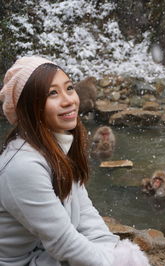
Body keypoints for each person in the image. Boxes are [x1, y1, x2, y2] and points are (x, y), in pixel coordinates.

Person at [0, 56, 150, 265]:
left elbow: (86, 215)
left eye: (69, 88)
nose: (69, 100)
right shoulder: (22, 167)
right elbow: (63, 243)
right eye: (53, 93)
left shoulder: (58, 146)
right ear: (29, 107)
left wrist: (117, 251)